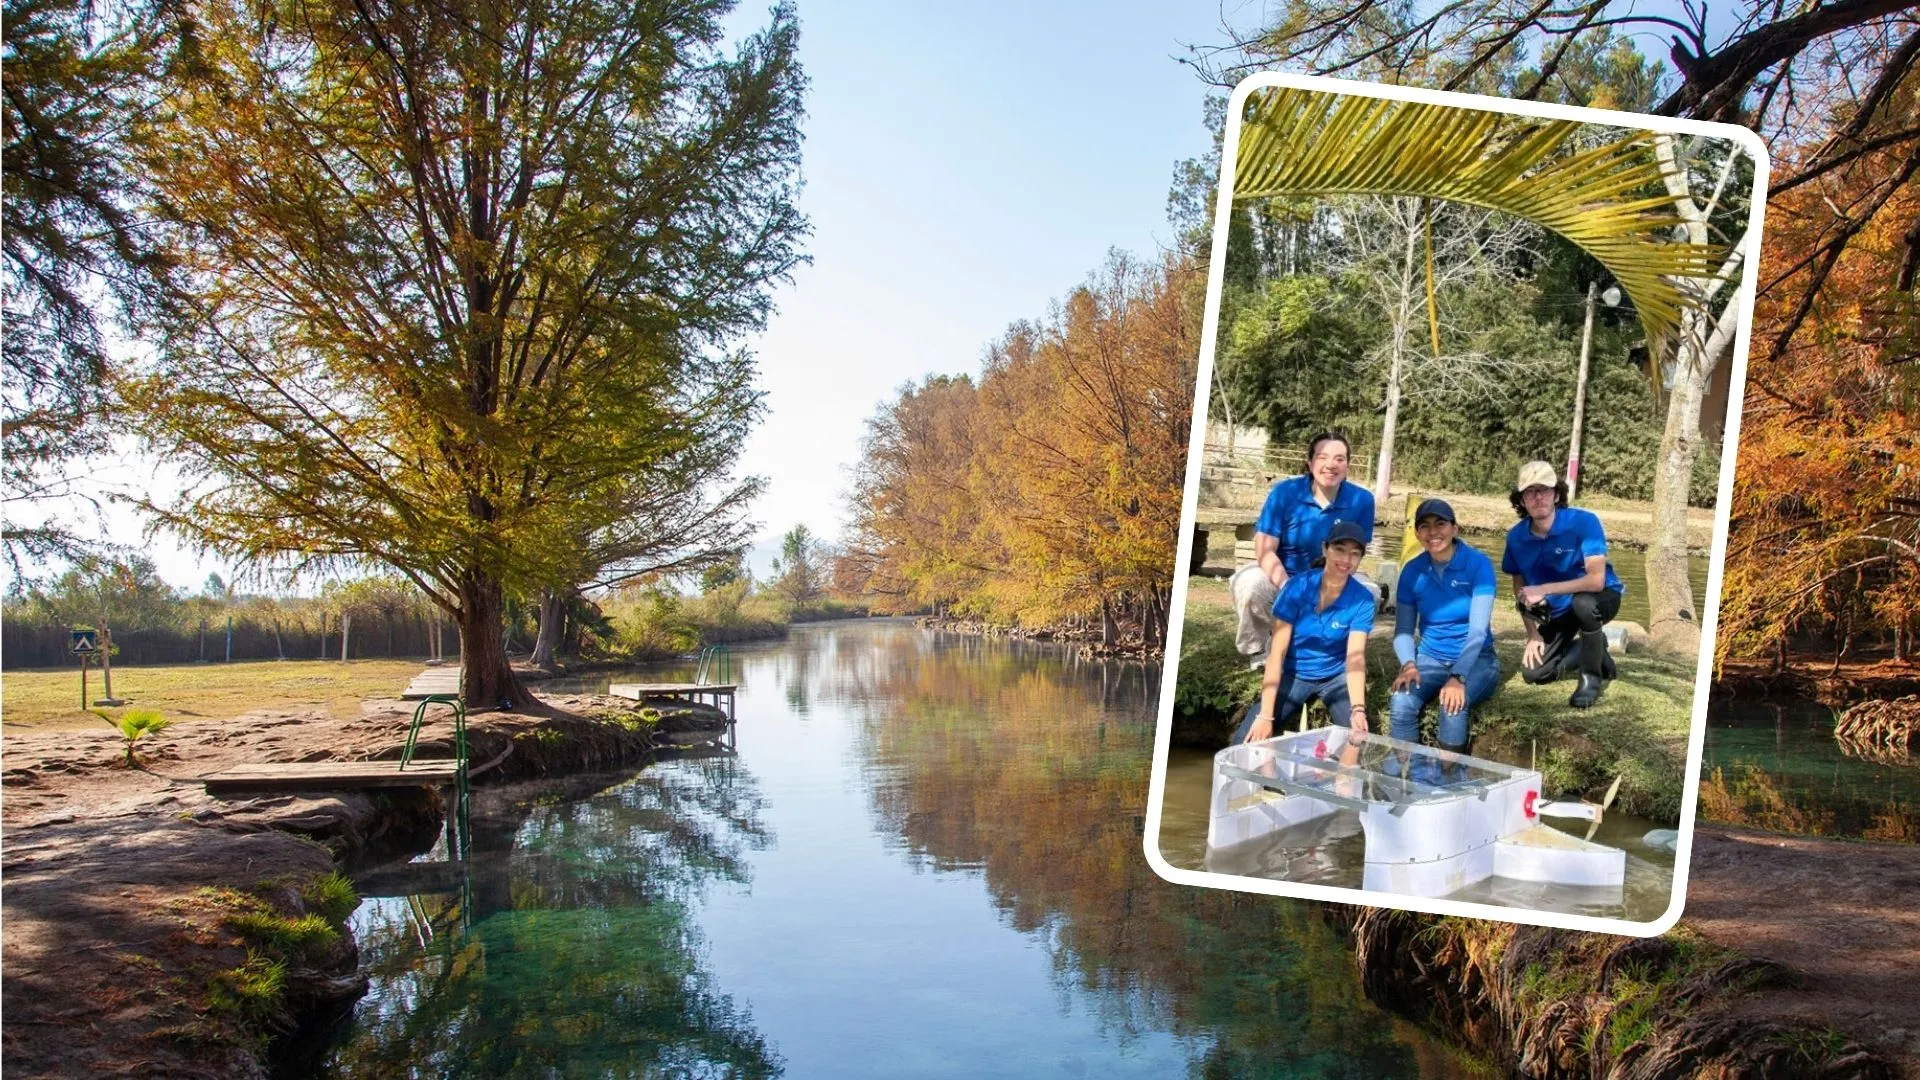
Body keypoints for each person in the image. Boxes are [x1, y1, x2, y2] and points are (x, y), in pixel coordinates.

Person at [1232, 431, 1376, 662]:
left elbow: (1354, 555)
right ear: (1309, 463)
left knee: (1371, 592)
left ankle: (1335, 652)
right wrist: (1291, 588)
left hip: (1330, 577)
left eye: (1339, 459)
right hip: (1283, 575)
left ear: (1348, 465)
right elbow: (1264, 550)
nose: (1331, 465)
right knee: (1251, 584)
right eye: (1322, 457)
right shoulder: (1284, 493)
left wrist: (1328, 587)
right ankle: (1258, 650)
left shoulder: (1363, 500)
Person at [1234, 520, 1376, 743]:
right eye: (1339, 550)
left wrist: (1358, 709)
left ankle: (1344, 777)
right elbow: (1277, 654)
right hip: (1294, 673)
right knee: (1244, 743)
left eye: (1354, 554)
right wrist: (1265, 716)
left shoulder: (1363, 600)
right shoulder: (1297, 588)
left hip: (1335, 676)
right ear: (1325, 549)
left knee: (1360, 741)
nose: (1346, 560)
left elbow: (1355, 658)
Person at [1502, 461, 1623, 708]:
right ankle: (1592, 648)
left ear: (1556, 494)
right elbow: (1520, 590)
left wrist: (1544, 589)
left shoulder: (1584, 523)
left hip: (1600, 597)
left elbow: (1596, 581)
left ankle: (1591, 680)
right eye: (1530, 492)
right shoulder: (1516, 537)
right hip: (1557, 610)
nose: (1537, 497)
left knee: (1584, 604)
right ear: (1521, 500)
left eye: (1544, 490)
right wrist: (1533, 634)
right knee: (1534, 674)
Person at [1388, 499, 1501, 756]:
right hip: (1430, 657)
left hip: (1477, 660)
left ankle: (1449, 778)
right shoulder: (1412, 571)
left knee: (1452, 704)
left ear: (1455, 528)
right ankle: (1407, 777)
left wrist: (1458, 676)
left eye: (1441, 524)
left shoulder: (1478, 564)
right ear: (1417, 534)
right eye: (1425, 526)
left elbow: (1477, 632)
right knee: (1401, 701)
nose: (1433, 532)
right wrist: (1408, 664)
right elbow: (1404, 630)